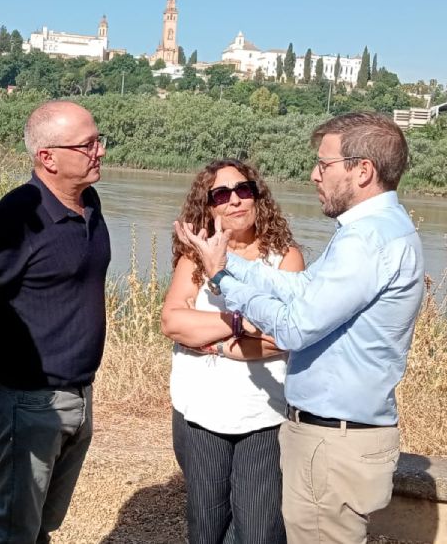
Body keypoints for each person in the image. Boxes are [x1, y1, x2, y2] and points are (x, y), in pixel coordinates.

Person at [175, 112, 424, 544]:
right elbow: (302, 288)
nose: (314, 175)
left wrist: (223, 281)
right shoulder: (374, 231)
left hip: (334, 440)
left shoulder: (367, 240)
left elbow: (293, 328)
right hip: (336, 435)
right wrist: (226, 264)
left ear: (363, 170)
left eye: (324, 164)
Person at [0, 100, 111, 544]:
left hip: (79, 392)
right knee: (13, 530)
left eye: (98, 140)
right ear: (47, 157)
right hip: (27, 399)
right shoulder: (18, 216)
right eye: (87, 145)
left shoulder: (89, 202)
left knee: (42, 524)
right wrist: (3, 340)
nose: (99, 151)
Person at [161, 159, 304, 544]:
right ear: (208, 207)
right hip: (200, 412)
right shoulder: (194, 258)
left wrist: (207, 338)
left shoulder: (284, 258)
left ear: (258, 197)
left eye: (244, 190)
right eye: (221, 195)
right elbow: (173, 322)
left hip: (264, 415)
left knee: (259, 530)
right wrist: (241, 324)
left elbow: (286, 335)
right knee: (206, 526)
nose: (235, 200)